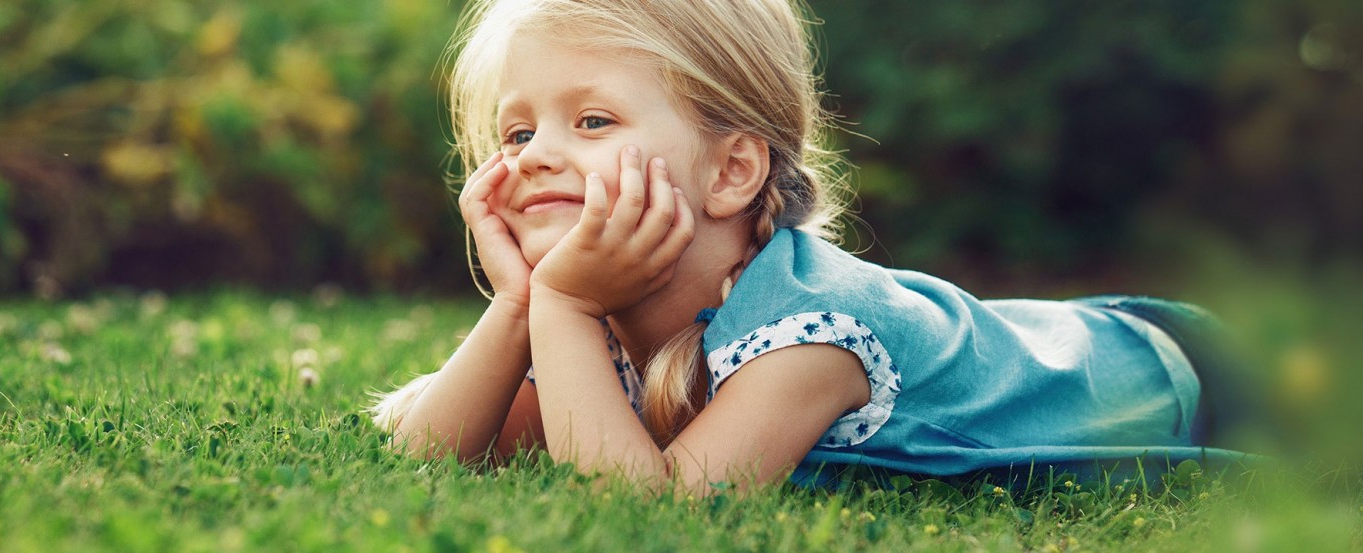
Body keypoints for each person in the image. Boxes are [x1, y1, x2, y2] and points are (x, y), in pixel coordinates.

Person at [368, 0, 1251, 493]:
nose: (537, 156)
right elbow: (425, 455)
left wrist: (556, 306)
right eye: (517, 133)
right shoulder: (597, 322)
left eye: (592, 119)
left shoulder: (812, 333)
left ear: (731, 171)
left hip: (1170, 367)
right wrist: (523, 303)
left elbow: (653, 510)